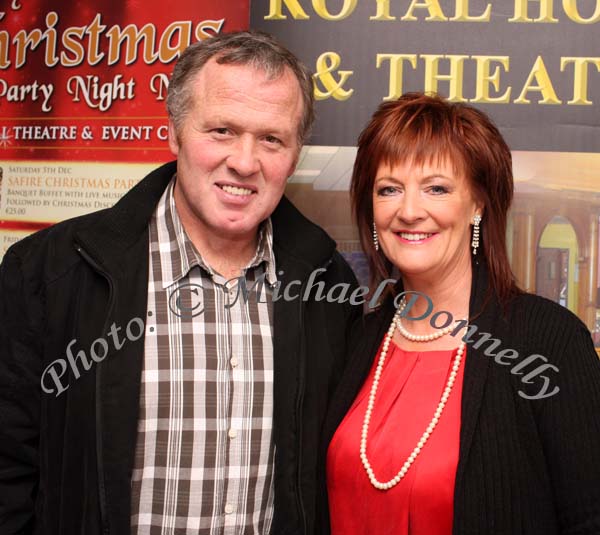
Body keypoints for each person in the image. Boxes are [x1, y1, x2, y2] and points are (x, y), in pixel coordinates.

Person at [0, 31, 360, 535]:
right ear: (173, 133)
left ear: (295, 154)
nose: (244, 161)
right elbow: (9, 469)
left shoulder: (328, 286)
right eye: (221, 130)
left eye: (272, 139)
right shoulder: (51, 272)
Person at [319, 93, 600, 534]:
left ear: (478, 204)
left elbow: (589, 517)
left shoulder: (548, 340)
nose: (409, 211)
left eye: (437, 188)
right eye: (389, 188)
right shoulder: (356, 337)